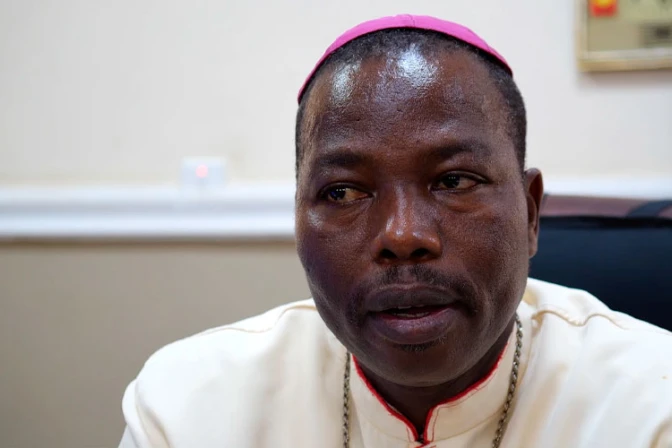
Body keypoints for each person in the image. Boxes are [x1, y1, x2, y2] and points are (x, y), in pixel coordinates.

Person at [118, 15, 672, 448]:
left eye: (454, 181)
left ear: (529, 214)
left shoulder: (651, 407)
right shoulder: (190, 408)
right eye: (343, 192)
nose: (403, 235)